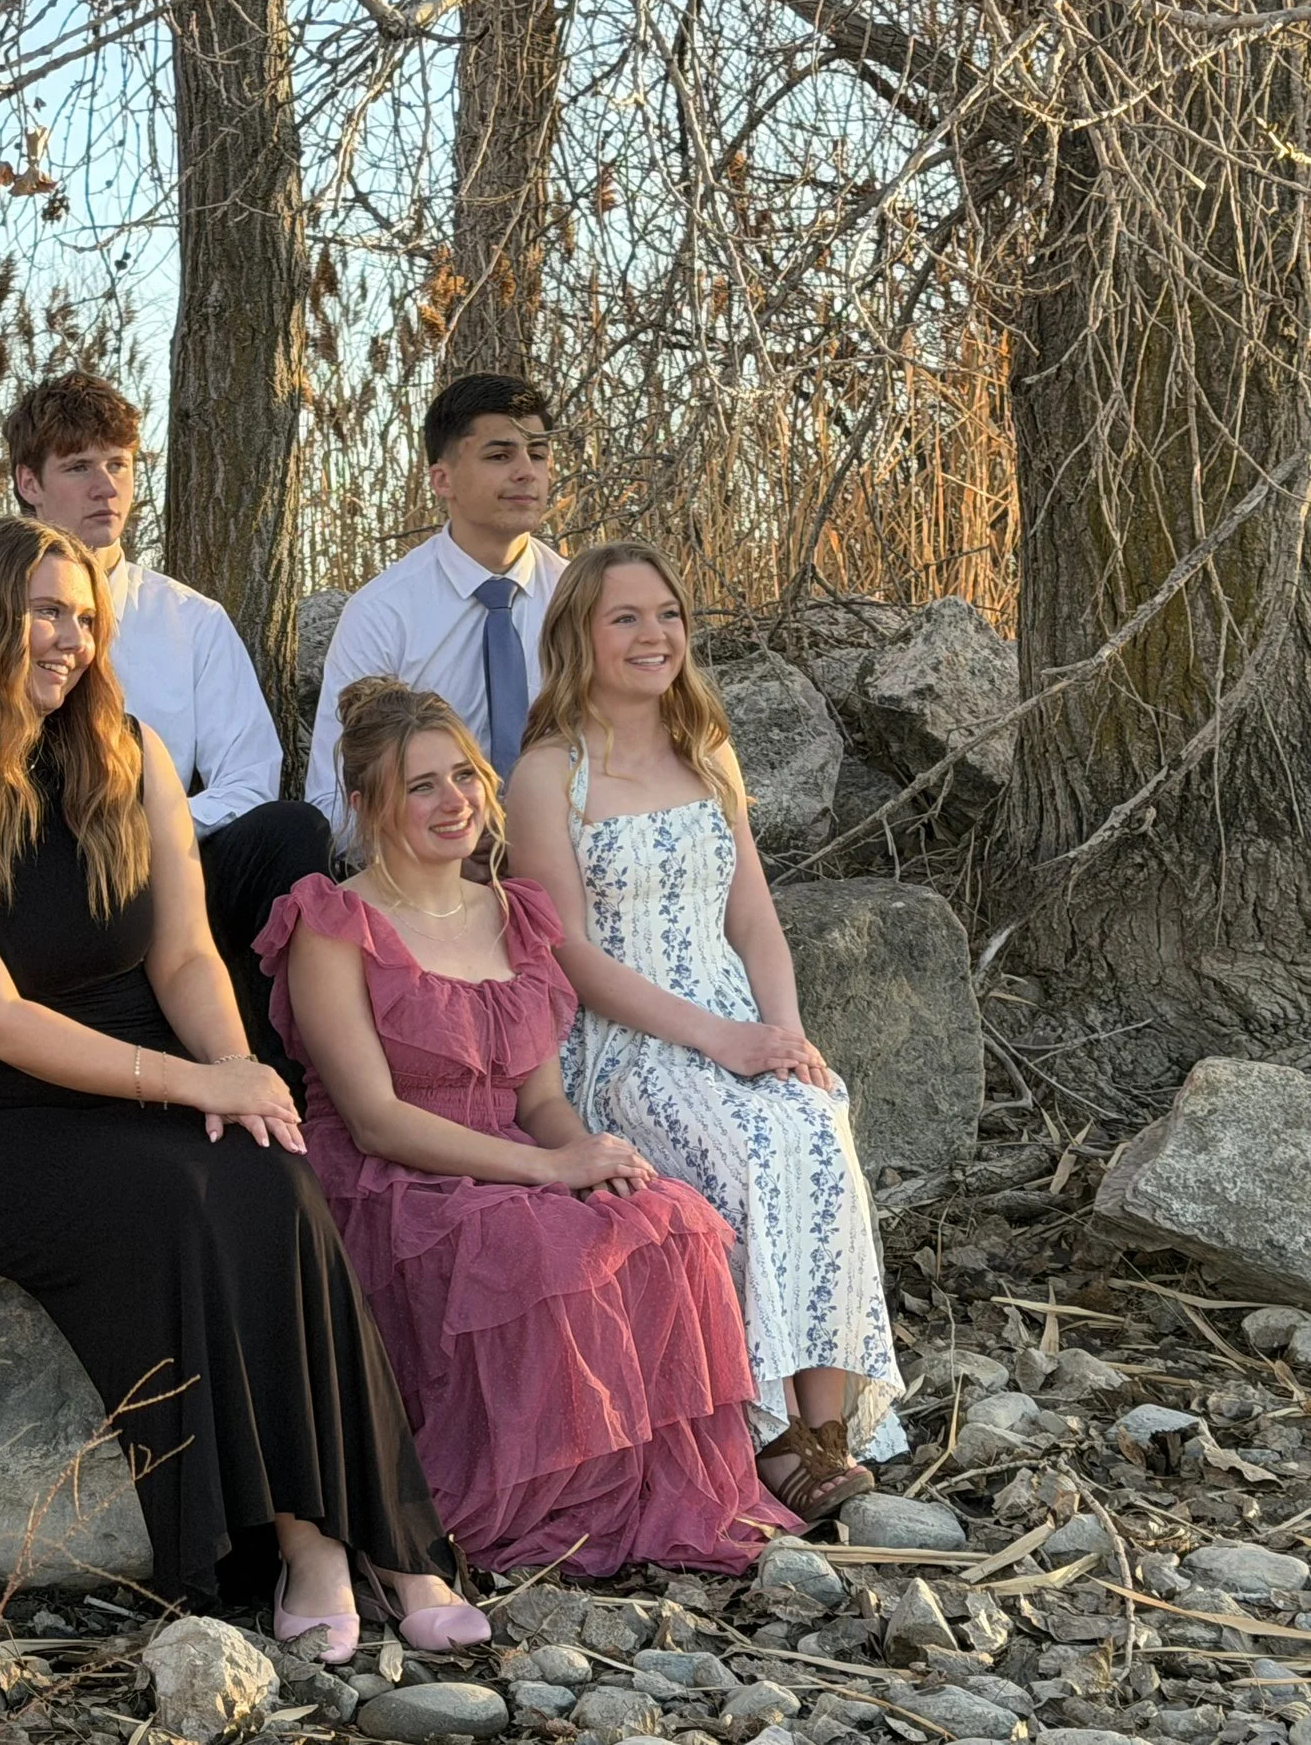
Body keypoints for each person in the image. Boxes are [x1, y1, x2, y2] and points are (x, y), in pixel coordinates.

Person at [0, 515, 488, 1660]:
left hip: (150, 1065)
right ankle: (309, 1547)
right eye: (43, 612)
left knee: (275, 1178)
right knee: (185, 1203)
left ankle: (394, 1541)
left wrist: (234, 1074)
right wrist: (188, 1083)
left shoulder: (125, 753)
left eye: (82, 617)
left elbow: (183, 955)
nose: (67, 639)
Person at [260, 678, 795, 1572]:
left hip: (510, 1149)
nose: (453, 801)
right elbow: (376, 1118)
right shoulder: (333, 919)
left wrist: (588, 1155)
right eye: (420, 784)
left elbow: (538, 1099)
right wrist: (549, 1174)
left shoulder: (516, 913)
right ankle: (534, 1509)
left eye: (463, 776)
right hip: (391, 1178)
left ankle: (629, 1496)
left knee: (674, 1227)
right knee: (540, 1252)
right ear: (365, 804)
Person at [503, 542, 906, 1521]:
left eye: (668, 615)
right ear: (578, 639)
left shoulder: (707, 752)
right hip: (625, 1043)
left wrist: (784, 1033)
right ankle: (767, 1432)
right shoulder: (546, 773)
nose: (654, 636)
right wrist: (717, 1043)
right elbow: (569, 957)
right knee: (755, 1141)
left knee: (813, 1118)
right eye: (626, 618)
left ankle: (827, 1424)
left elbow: (753, 920)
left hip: (737, 1022)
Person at [5, 372, 332, 1068]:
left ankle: (292, 1074)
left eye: (119, 463)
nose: (107, 486)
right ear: (29, 482)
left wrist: (151, 829)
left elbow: (250, 778)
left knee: (291, 830)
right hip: (33, 869)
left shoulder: (190, 619)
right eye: (79, 467)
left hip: (169, 860)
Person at [306, 374, 567, 855]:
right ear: (441, 479)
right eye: (499, 455)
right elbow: (333, 800)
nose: (527, 471)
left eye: (538, 454)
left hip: (571, 857)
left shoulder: (577, 599)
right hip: (433, 868)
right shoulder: (384, 612)